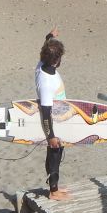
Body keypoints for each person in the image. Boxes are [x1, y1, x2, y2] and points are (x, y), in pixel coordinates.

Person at [36, 31, 70, 200]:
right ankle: (53, 191)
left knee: (57, 152)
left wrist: (50, 36)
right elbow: (46, 111)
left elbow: (46, 48)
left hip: (59, 119)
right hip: (53, 122)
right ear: (57, 60)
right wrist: (51, 136)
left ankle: (54, 186)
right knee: (54, 154)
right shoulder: (46, 83)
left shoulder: (42, 63)